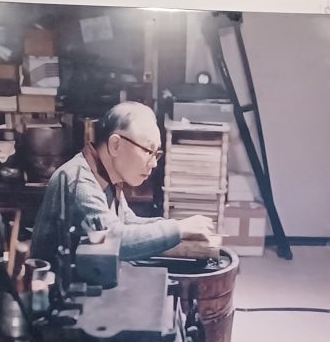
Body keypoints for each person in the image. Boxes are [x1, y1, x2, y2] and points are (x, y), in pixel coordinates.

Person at [30, 100, 219, 267]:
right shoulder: (78, 180)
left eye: (156, 154)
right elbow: (114, 239)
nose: (154, 163)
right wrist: (178, 229)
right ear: (115, 145)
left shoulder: (106, 174)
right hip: (55, 289)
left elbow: (127, 221)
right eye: (148, 151)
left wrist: (179, 226)